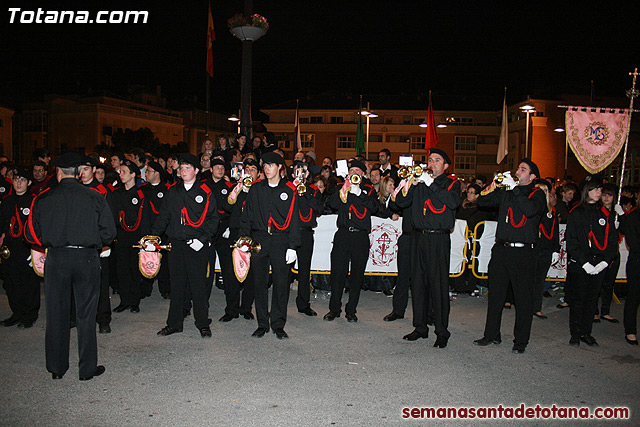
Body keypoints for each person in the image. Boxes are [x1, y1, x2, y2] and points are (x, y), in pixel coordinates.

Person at [24, 151, 116, 380]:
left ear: (56, 173)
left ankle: (57, 368)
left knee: (56, 314)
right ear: (78, 173)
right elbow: (109, 232)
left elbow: (31, 234)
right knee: (86, 315)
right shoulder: (95, 197)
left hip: (57, 258)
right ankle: (86, 369)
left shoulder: (43, 198)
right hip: (86, 258)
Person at [473, 159, 546, 354]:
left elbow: (530, 210)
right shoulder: (506, 191)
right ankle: (491, 334)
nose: (517, 171)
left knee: (522, 298)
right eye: (518, 168)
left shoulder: (537, 194)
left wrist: (515, 189)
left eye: (523, 169)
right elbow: (482, 200)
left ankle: (521, 340)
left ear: (532, 177)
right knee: (496, 294)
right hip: (502, 249)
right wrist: (494, 185)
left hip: (523, 252)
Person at [395, 149, 460, 348]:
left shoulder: (452, 183)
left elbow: (452, 202)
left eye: (437, 160)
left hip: (438, 239)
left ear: (446, 165)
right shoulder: (420, 182)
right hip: (418, 237)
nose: (432, 163)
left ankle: (441, 330)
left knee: (438, 285)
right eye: (430, 160)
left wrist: (430, 182)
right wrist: (409, 184)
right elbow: (401, 202)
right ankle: (420, 327)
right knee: (418, 284)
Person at [152, 154, 219, 338]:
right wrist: (153, 238)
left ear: (197, 170)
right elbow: (164, 217)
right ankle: (174, 323)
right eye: (181, 168)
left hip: (196, 245)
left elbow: (213, 219)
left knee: (198, 286)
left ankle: (203, 323)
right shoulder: (173, 191)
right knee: (177, 286)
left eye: (188, 168)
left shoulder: (205, 192)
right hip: (177, 244)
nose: (183, 171)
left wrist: (203, 239)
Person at [238, 152, 300, 339]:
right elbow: (247, 216)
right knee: (259, 283)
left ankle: (278, 324)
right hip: (260, 238)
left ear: (280, 167)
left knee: (281, 284)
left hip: (281, 240)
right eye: (265, 165)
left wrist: (293, 246)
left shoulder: (290, 189)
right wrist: (244, 240)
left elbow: (296, 220)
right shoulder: (257, 188)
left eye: (270, 165)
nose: (266, 168)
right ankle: (262, 323)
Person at [324, 159, 379, 323]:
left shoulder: (368, 189)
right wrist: (345, 187)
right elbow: (332, 204)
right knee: (337, 274)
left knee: (357, 275)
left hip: (360, 236)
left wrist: (358, 192)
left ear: (363, 174)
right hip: (343, 235)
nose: (354, 173)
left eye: (357, 170)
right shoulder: (342, 187)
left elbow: (374, 207)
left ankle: (351, 310)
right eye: (352, 170)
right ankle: (334, 309)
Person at [565, 176, 617, 347]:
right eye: (595, 189)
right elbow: (571, 240)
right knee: (578, 299)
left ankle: (586, 332)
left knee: (592, 299)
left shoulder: (605, 214)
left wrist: (604, 261)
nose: (599, 193)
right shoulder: (577, 212)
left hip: (599, 263)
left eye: (600, 189)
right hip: (581, 264)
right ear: (587, 191)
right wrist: (583, 262)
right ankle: (575, 333)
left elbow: (611, 240)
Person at [0, 167, 40, 328]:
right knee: (11, 283)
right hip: (10, 249)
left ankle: (30, 315)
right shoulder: (7, 201)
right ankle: (17, 313)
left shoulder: (34, 201)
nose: (18, 183)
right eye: (16, 179)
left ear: (29, 183)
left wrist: (37, 250)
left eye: (22, 180)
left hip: (27, 247)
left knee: (29, 283)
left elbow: (38, 227)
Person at [78, 156, 114, 333]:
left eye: (85, 169)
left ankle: (103, 319)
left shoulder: (102, 191)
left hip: (97, 244)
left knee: (101, 283)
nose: (82, 173)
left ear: (92, 170)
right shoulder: (75, 190)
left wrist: (106, 244)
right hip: (78, 244)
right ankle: (79, 317)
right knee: (79, 283)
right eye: (80, 169)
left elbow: (108, 219)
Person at [110, 160, 151, 313]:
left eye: (124, 172)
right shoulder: (116, 194)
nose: (121, 175)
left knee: (135, 269)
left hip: (136, 237)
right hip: (121, 236)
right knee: (122, 269)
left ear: (133, 174)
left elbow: (145, 218)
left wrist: (145, 239)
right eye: (119, 172)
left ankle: (134, 301)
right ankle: (124, 300)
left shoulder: (141, 195)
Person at [223, 158, 260, 320]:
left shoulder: (260, 189)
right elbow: (227, 207)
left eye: (253, 169)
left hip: (253, 234)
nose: (250, 172)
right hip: (236, 233)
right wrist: (239, 189)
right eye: (247, 169)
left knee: (251, 273)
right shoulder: (235, 188)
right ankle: (231, 309)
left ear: (258, 173)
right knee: (231, 273)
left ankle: (246, 308)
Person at [291, 161, 325, 316]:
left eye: (303, 171)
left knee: (304, 270)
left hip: (305, 233)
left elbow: (318, 209)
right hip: (288, 233)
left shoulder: (313, 190)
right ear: (293, 174)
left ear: (307, 174)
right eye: (297, 171)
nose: (301, 174)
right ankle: (280, 303)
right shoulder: (286, 188)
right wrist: (294, 187)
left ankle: (303, 304)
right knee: (283, 270)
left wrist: (305, 193)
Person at [141, 161, 172, 300]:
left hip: (163, 231)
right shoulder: (142, 190)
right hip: (145, 229)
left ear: (157, 173)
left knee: (164, 260)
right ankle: (145, 288)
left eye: (149, 171)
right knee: (146, 257)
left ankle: (165, 288)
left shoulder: (167, 190)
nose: (146, 174)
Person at [531, 180, 560, 320]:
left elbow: (554, 232)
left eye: (544, 191)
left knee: (540, 280)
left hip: (545, 250)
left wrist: (556, 250)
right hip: (532, 248)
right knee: (528, 279)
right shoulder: (531, 208)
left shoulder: (552, 212)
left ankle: (536, 307)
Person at [619, 197, 640, 345]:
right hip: (637, 261)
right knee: (633, 297)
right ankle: (630, 330)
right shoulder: (634, 216)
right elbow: (632, 243)